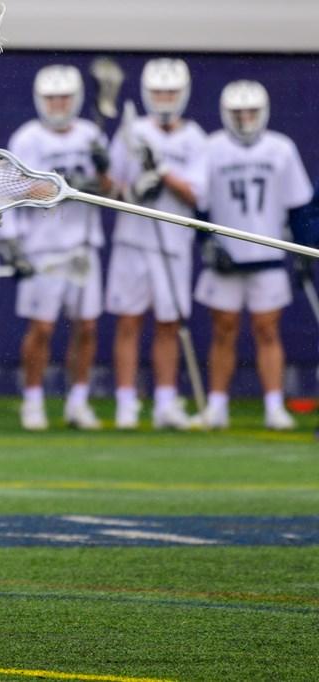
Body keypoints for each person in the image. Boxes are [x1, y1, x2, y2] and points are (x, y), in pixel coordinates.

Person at [195, 80, 313, 430]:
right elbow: (197, 202)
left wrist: (304, 249)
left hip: (269, 252)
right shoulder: (211, 147)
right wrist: (207, 241)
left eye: (251, 112)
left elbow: (298, 205)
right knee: (223, 330)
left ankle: (274, 405)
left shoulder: (281, 148)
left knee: (267, 329)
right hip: (226, 254)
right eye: (238, 113)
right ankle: (217, 405)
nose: (245, 119)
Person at [1, 64, 112, 431]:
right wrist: (64, 186)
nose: (58, 104)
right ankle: (32, 401)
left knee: (87, 328)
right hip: (44, 245)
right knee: (43, 329)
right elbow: (15, 187)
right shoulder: (27, 138)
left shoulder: (91, 134)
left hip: (83, 243)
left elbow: (110, 189)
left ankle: (77, 401)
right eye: (51, 97)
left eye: (64, 97)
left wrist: (100, 170)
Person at [104, 58, 208, 430]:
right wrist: (134, 187)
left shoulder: (195, 137)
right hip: (133, 239)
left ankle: (165, 402)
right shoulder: (130, 131)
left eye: (171, 92)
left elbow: (197, 194)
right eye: (159, 91)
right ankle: (126, 404)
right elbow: (112, 188)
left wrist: (162, 171)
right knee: (128, 321)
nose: (165, 99)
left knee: (169, 323)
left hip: (172, 242)